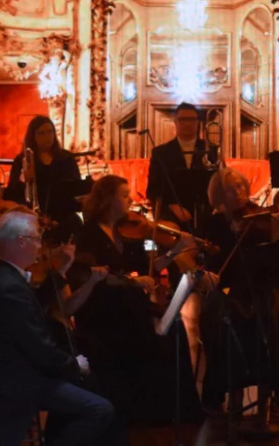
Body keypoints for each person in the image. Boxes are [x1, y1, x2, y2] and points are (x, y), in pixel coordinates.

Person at [0, 210, 123, 446]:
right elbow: (38, 346)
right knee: (100, 409)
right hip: (18, 382)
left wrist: (61, 270)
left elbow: (34, 310)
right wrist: (74, 364)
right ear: (21, 242)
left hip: (19, 373)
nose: (40, 246)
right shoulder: (8, 285)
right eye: (37, 239)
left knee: (91, 386)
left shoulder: (3, 274)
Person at [70, 175, 202, 426]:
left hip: (129, 304)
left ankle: (176, 408)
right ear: (108, 199)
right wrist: (132, 282)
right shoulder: (88, 234)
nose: (131, 200)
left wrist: (176, 250)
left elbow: (148, 268)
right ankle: (144, 412)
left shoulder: (129, 232)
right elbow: (93, 274)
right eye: (124, 195)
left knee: (175, 330)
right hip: (103, 308)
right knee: (150, 339)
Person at [200, 168, 279, 410]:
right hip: (227, 290)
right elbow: (215, 265)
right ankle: (232, 387)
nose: (238, 193)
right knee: (230, 319)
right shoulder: (214, 222)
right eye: (230, 189)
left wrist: (278, 234)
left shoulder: (259, 216)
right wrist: (232, 236)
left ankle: (273, 386)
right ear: (219, 195)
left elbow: (276, 260)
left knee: (273, 310)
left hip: (259, 287)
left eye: (240, 186)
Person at [8, 116, 83, 242]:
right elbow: (12, 192)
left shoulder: (66, 158)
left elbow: (76, 187)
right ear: (33, 136)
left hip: (63, 212)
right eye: (41, 133)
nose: (47, 137)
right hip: (33, 213)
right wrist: (23, 179)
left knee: (76, 223)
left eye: (49, 132)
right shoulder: (22, 160)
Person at [147, 103, 218, 226]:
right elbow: (153, 189)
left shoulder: (212, 150)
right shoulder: (160, 153)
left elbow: (219, 184)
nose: (187, 123)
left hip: (206, 214)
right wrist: (172, 206)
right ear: (175, 122)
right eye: (183, 119)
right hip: (172, 215)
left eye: (191, 119)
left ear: (198, 122)